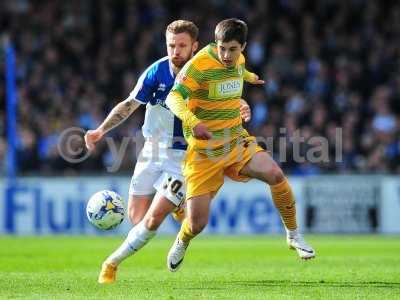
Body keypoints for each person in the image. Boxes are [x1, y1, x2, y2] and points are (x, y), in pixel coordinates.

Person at [84, 20, 252, 284]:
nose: (176, 51)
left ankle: (110, 264)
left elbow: (226, 95)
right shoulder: (156, 72)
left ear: (195, 46)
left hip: (184, 158)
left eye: (182, 45)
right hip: (152, 150)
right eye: (171, 45)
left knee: (152, 220)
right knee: (137, 219)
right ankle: (179, 206)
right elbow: (129, 105)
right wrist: (100, 131)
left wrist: (241, 103)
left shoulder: (204, 70)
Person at [165, 18, 315, 272]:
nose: (226, 55)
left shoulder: (239, 61)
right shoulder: (199, 65)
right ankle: (183, 239)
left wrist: (249, 77)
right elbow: (173, 96)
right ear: (216, 43)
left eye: (233, 49)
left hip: (235, 141)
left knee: (275, 174)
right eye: (222, 48)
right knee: (197, 223)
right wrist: (192, 120)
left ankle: (293, 235)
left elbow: (236, 73)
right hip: (204, 152)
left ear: (243, 47)